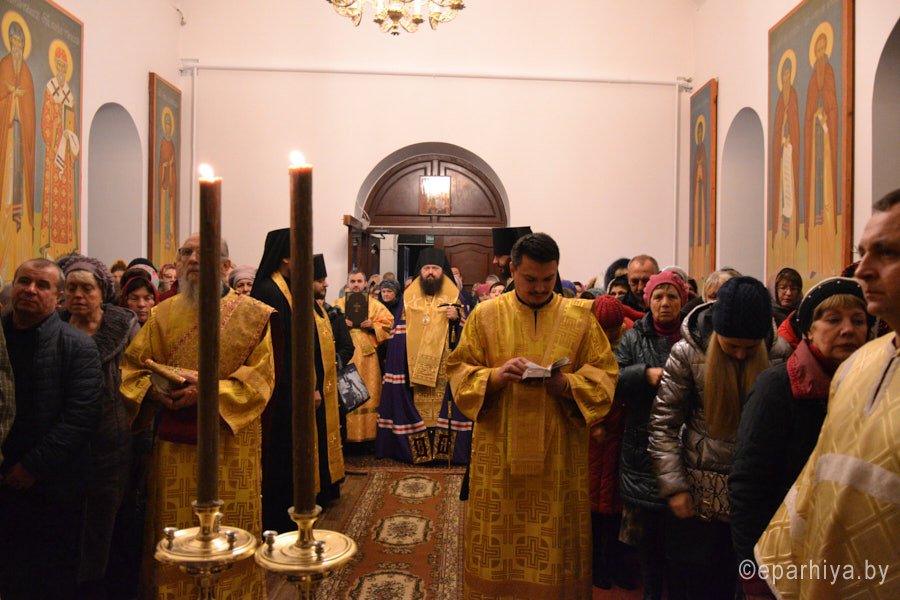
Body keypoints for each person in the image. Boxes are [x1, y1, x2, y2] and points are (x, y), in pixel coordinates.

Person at [447, 232, 617, 598]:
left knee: (555, 546)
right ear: (512, 270)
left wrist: (566, 384)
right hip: (498, 459)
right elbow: (459, 372)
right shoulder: (485, 315)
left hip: (559, 461)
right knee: (499, 546)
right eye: (530, 279)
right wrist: (495, 377)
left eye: (548, 278)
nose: (540, 287)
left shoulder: (580, 318)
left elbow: (605, 377)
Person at [755, 190, 900, 599]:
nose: (863, 269)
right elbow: (819, 478)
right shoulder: (859, 363)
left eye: (887, 253)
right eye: (863, 253)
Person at [119, 233, 275, 599]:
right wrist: (157, 392)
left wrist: (207, 392)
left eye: (203, 253)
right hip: (175, 447)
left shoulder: (253, 315)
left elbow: (261, 380)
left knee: (231, 530)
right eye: (186, 252)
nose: (192, 259)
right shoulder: (161, 314)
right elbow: (132, 370)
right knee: (174, 531)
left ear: (225, 266)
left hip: (230, 444)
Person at [648, 276, 790, 599]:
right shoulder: (686, 353)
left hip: (755, 500)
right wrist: (674, 487)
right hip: (699, 500)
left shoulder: (780, 354)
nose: (739, 355)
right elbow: (663, 425)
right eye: (731, 346)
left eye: (749, 349)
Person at [729, 277, 871, 599]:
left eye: (858, 320)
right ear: (808, 330)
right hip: (779, 553)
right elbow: (747, 487)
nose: (848, 330)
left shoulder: (870, 385)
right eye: (833, 320)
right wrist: (752, 572)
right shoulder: (777, 388)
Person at [0, 258, 102, 598]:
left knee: (48, 576)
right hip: (3, 471)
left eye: (42, 285)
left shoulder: (77, 345)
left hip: (53, 484)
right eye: (24, 281)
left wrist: (31, 467)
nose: (30, 290)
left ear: (59, 299)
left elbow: (80, 417)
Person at [250, 229, 346, 531]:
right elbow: (280, 349)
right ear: (286, 258)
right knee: (280, 454)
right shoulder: (269, 291)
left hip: (292, 388)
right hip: (280, 391)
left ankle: (290, 516)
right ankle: (279, 522)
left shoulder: (286, 289)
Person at [58, 255, 140, 595]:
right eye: (71, 288)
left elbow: (140, 378)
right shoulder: (56, 327)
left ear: (102, 291)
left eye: (86, 288)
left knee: (109, 519)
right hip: (66, 441)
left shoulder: (124, 326)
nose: (78, 295)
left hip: (113, 439)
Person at [614, 271, 689, 599]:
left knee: (680, 540)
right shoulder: (634, 337)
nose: (665, 303)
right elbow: (612, 379)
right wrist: (643, 374)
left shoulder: (691, 336)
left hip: (683, 446)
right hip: (641, 445)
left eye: (672, 296)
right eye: (658, 296)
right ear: (648, 301)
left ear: (682, 301)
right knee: (648, 540)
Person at [376, 248, 471, 464]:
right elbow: (398, 336)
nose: (430, 272)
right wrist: (401, 364)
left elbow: (468, 336)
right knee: (417, 405)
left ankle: (444, 452)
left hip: (444, 367)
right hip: (413, 366)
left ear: (442, 271)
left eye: (435, 268)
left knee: (442, 407)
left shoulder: (455, 296)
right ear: (420, 270)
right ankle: (419, 451)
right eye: (426, 268)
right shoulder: (408, 296)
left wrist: (457, 319)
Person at [589, 294, 637, 590]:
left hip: (622, 432)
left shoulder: (630, 338)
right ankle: (596, 564)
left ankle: (617, 563)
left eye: (612, 329)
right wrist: (595, 423)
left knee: (618, 507)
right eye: (602, 329)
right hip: (593, 435)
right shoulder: (585, 340)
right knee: (593, 504)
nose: (607, 335)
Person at [336, 270, 394, 443]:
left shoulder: (375, 305)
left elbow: (390, 324)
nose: (356, 285)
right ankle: (347, 436)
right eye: (353, 281)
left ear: (365, 283)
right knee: (346, 392)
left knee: (370, 391)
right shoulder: (337, 305)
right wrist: (341, 324)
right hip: (345, 355)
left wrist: (373, 325)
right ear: (348, 283)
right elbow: (325, 325)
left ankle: (370, 436)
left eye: (359, 281)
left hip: (368, 357)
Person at [0, 18, 35, 285]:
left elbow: (30, 111)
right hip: (7, 139)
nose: (16, 46)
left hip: (20, 142)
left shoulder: (27, 73)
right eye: (13, 42)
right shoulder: (3, 66)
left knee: (18, 192)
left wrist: (20, 100)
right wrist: (10, 96)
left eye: (19, 43)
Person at [39, 41, 80, 260]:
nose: (62, 70)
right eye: (59, 65)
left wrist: (69, 134)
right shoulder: (50, 88)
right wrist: (58, 132)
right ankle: (50, 244)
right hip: (54, 155)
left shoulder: (70, 95)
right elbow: (45, 121)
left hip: (66, 155)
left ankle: (66, 245)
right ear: (55, 66)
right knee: (53, 198)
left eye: (65, 66)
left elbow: (73, 127)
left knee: (66, 203)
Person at [804, 29, 840, 279]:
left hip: (825, 145)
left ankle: (827, 261)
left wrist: (824, 116)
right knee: (815, 202)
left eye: (822, 49)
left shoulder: (829, 73)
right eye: (816, 50)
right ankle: (815, 260)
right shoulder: (809, 83)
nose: (818, 54)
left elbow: (833, 106)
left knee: (825, 199)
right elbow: (805, 115)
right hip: (814, 146)